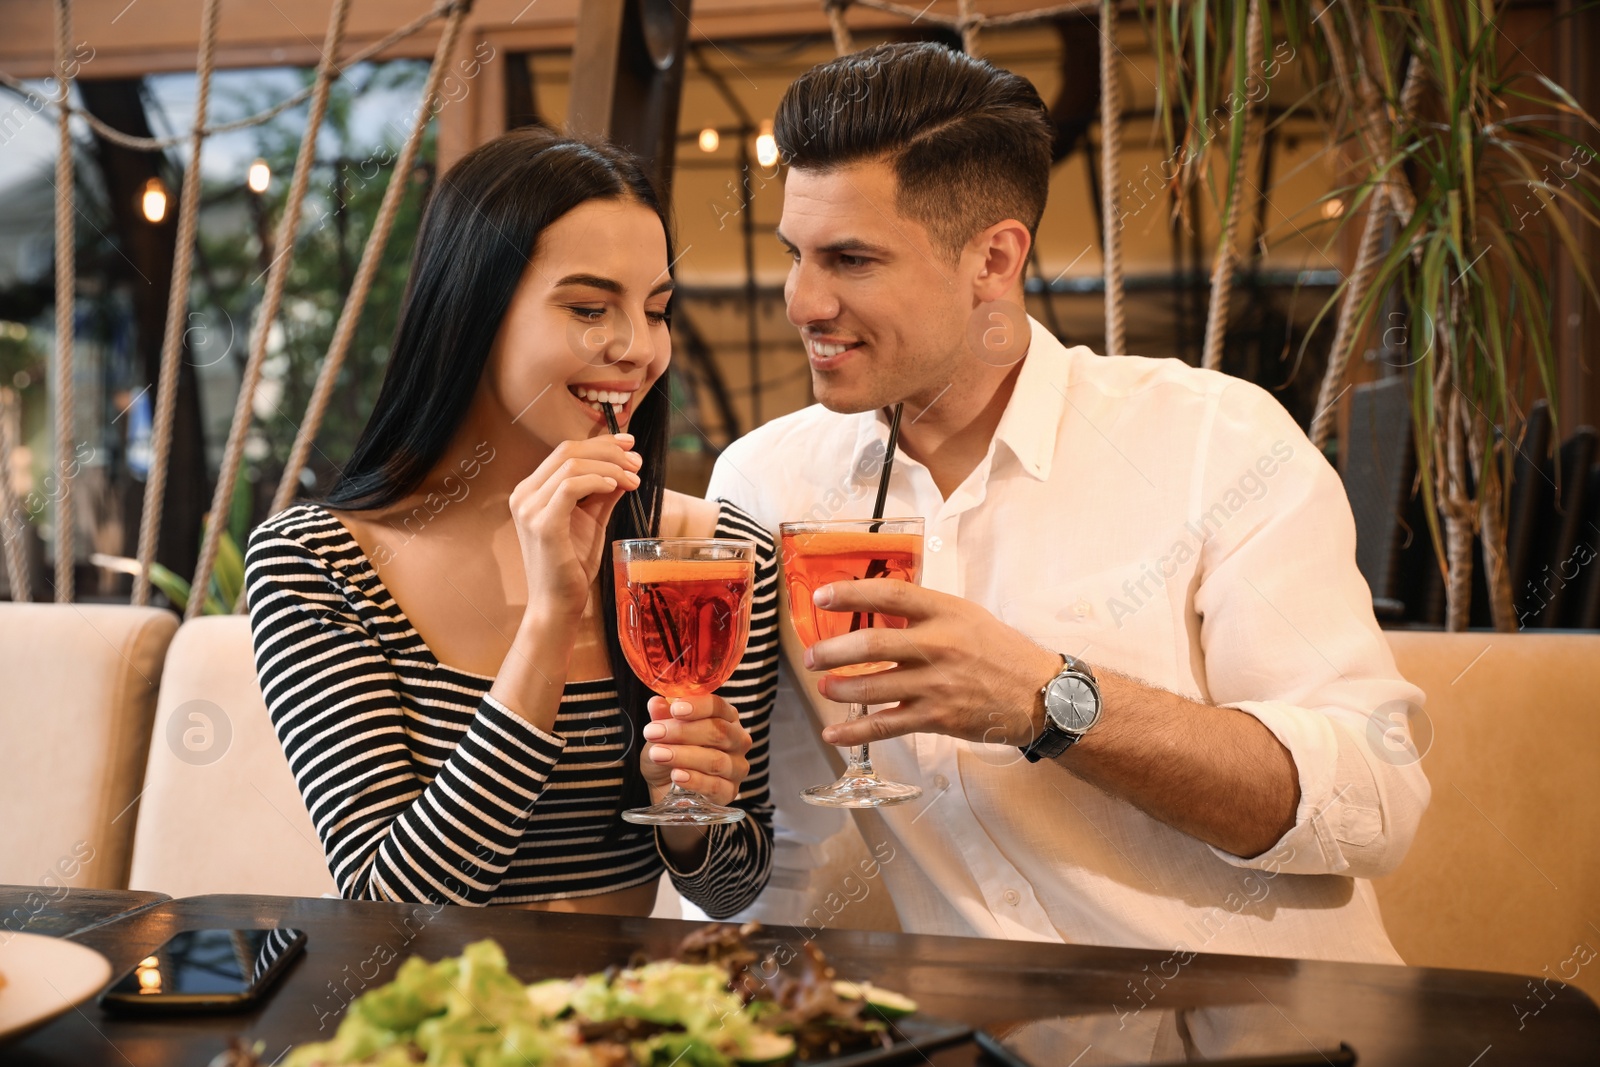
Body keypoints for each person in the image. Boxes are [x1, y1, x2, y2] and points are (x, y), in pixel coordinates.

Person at [707, 42, 1430, 963]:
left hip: (1267, 1035)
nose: (801, 300)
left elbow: (1375, 802)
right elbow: (781, 855)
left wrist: (1051, 701)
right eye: (794, 255)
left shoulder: (1220, 441)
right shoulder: (769, 485)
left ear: (995, 258)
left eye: (850, 258)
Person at [245, 128, 775, 917]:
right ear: (473, 309)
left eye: (657, 310)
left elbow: (734, 889)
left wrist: (692, 819)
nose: (638, 350)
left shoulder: (711, 559)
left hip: (626, 1025)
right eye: (591, 307)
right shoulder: (316, 564)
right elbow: (392, 905)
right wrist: (549, 624)